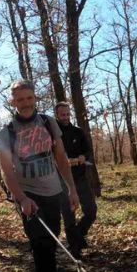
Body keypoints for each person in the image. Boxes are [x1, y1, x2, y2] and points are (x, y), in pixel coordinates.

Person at [0, 80, 79, 272]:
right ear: (13, 101)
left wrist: (72, 189)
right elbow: (6, 170)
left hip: (53, 192)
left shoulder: (49, 122)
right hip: (28, 197)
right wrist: (21, 198)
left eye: (29, 98)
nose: (25, 103)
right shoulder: (7, 131)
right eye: (20, 99)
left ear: (35, 98)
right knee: (41, 248)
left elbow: (61, 157)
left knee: (51, 244)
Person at [55, 101, 97, 258]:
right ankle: (75, 250)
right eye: (62, 114)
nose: (65, 117)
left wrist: (82, 157)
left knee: (91, 212)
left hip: (80, 178)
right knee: (69, 215)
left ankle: (78, 235)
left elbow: (88, 151)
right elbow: (51, 156)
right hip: (62, 181)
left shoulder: (78, 132)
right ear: (57, 115)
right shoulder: (54, 134)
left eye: (67, 114)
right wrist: (64, 162)